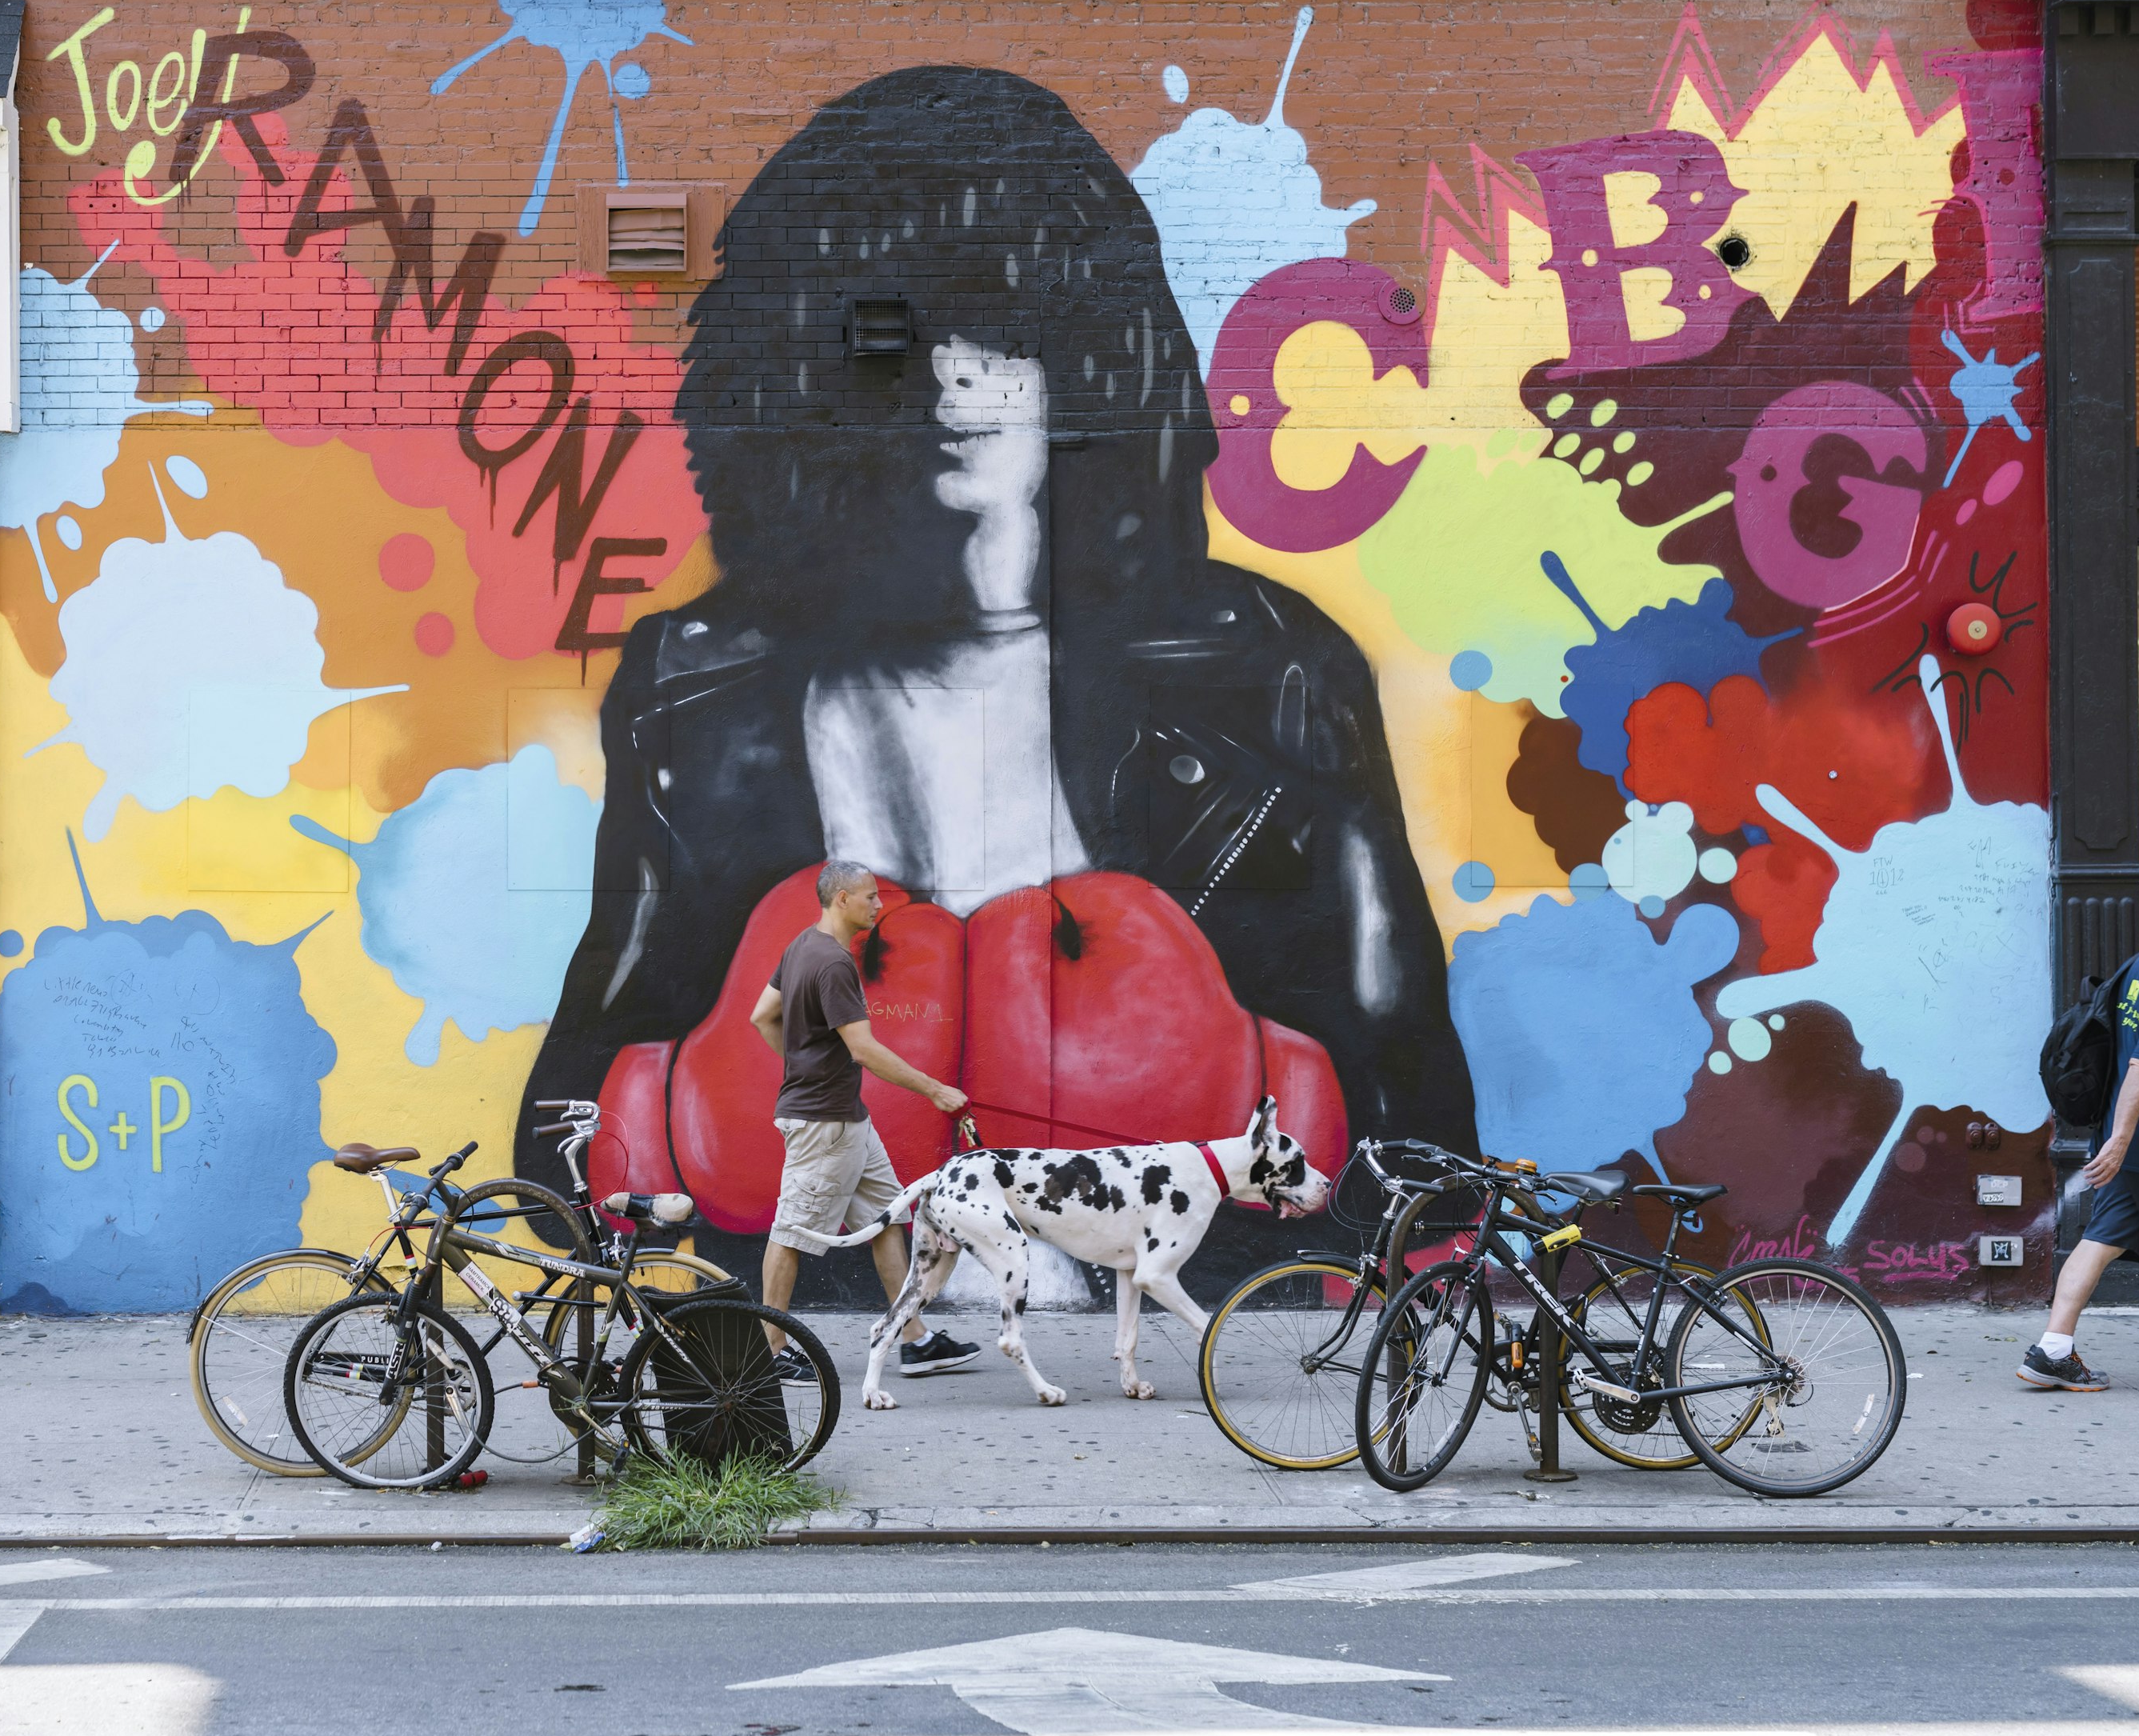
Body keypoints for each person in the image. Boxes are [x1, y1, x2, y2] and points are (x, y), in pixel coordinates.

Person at [516, 65, 1476, 1282]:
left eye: (1004, 326)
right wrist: (684, 1176)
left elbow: (1409, 1105)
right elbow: (573, 1112)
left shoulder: (1268, 670)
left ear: (1091, 358)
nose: (951, 373)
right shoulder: (692, 694)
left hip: (1187, 1308)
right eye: (893, 331)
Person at [750, 860, 981, 1381]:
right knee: (791, 1231)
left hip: (846, 1120)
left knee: (886, 1219)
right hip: (825, 1123)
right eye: (870, 897)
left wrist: (800, 1061)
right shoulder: (832, 963)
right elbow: (864, 1049)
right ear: (841, 900)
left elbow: (762, 1014)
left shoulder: (801, 946)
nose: (879, 905)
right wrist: (937, 1090)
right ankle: (770, 1351)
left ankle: (914, 1338)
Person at [2019, 915, 2139, 1390]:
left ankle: (2051, 1352)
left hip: (2133, 1148)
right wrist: (2120, 1141)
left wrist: (2117, 1141)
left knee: (2100, 1240)